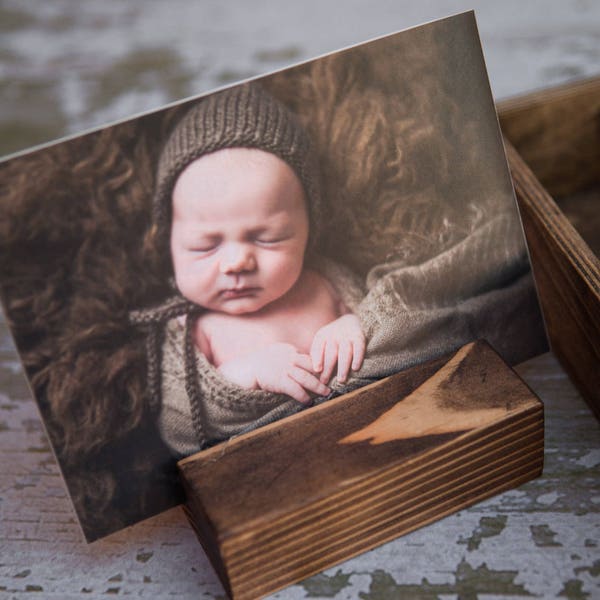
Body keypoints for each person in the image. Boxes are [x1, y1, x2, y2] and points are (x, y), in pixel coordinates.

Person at [134, 82, 367, 456]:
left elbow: (396, 327)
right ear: (169, 246)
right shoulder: (190, 328)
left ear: (309, 231)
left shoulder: (328, 283)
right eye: (205, 245)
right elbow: (178, 429)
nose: (236, 262)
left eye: (267, 238)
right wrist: (243, 377)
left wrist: (356, 328)